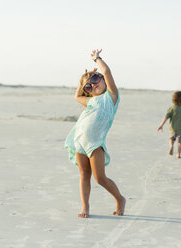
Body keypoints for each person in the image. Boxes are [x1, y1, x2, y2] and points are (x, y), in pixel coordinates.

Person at [65, 49, 125, 218]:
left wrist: (97, 59)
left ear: (102, 79)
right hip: (79, 142)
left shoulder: (111, 97)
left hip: (95, 144)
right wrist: (82, 81)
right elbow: (77, 95)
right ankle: (85, 208)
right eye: (89, 86)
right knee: (84, 174)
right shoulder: (91, 100)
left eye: (95, 79)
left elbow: (107, 71)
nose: (93, 84)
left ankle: (120, 199)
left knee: (100, 178)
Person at [157, 91, 181, 158]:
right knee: (180, 142)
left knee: (172, 139)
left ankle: (171, 146)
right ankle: (178, 154)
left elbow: (166, 117)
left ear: (173, 99)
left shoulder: (172, 108)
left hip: (173, 129)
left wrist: (161, 125)